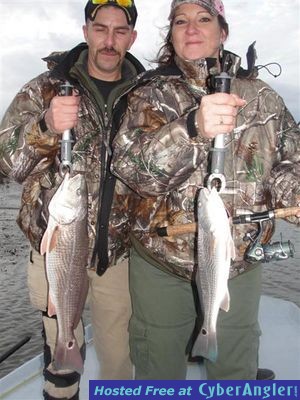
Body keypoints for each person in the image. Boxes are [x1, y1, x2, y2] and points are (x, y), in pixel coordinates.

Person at [111, 0, 300, 380]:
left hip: (240, 263)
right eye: (180, 21)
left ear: (222, 32)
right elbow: (131, 171)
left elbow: (285, 168)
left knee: (234, 369)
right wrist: (192, 127)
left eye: (203, 19)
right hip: (160, 263)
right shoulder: (147, 95)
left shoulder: (263, 98)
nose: (191, 28)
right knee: (157, 368)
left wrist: (295, 196)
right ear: (172, 35)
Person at [0, 0, 144, 398]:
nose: (109, 40)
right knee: (60, 357)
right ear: (86, 31)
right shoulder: (43, 88)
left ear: (132, 38)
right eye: (101, 28)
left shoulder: (147, 98)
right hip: (55, 251)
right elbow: (6, 162)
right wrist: (45, 125)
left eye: (120, 31)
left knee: (118, 358)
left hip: (117, 255)